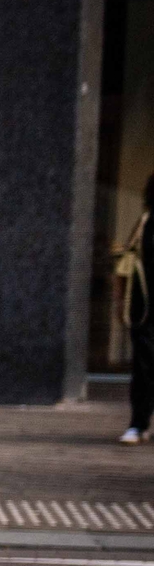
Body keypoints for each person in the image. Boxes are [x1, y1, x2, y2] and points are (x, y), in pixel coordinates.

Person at [122, 190, 151, 445]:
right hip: (145, 310)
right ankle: (138, 423)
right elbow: (127, 261)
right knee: (143, 367)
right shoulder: (146, 222)